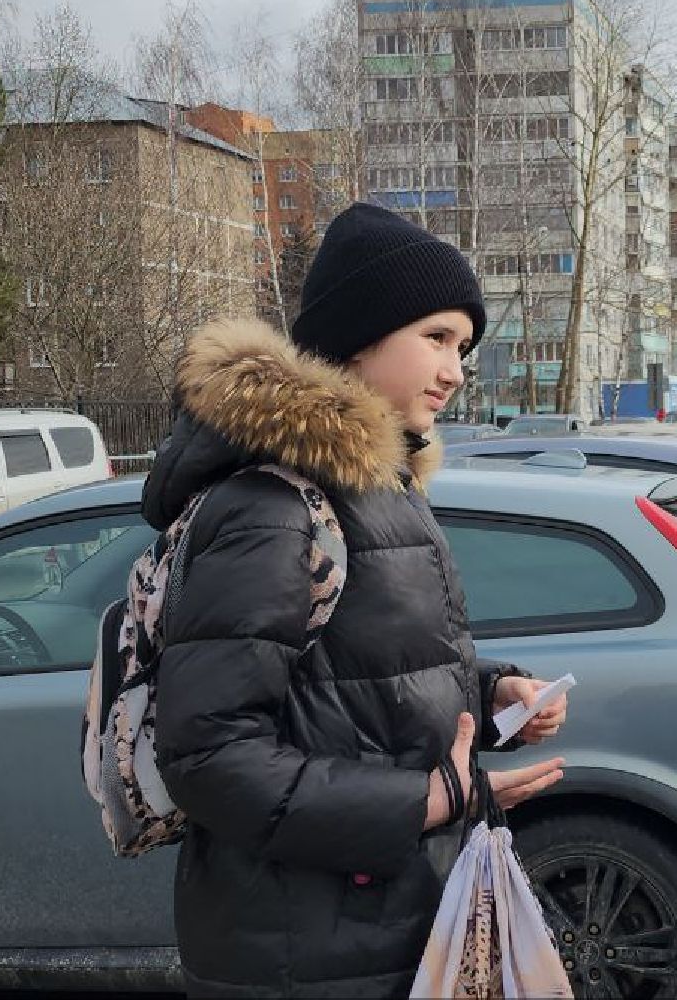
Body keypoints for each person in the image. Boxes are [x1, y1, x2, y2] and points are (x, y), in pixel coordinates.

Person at [144, 203, 570, 998]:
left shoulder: (382, 489)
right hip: (301, 950)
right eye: (435, 339)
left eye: (463, 348)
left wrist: (493, 690)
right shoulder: (267, 511)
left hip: (382, 924)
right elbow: (209, 755)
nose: (454, 371)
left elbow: (357, 678)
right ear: (357, 334)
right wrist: (430, 799)